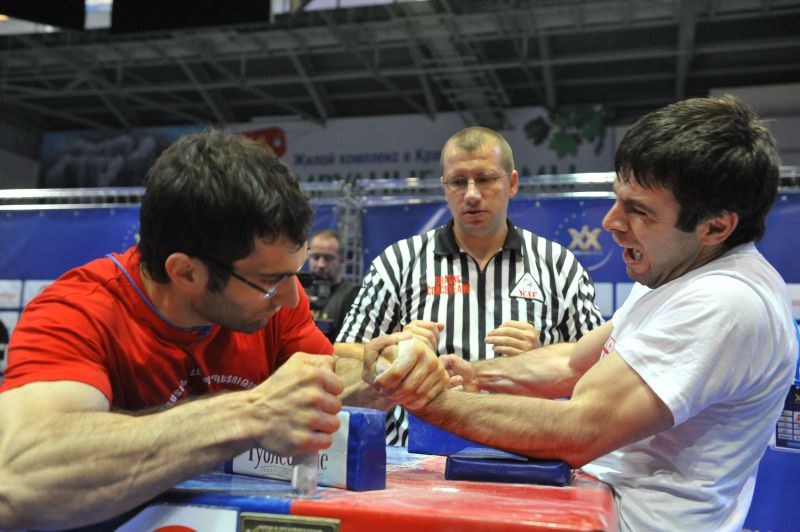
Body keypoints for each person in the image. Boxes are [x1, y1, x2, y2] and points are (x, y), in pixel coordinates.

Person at [366, 95, 798, 531]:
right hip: (595, 507)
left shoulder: (725, 301)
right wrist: (473, 375)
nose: (611, 221)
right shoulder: (679, 275)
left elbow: (578, 430)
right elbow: (571, 361)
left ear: (715, 227)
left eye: (638, 210)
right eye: (618, 199)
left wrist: (429, 399)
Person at [0, 130, 445, 531]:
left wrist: (383, 373)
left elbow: (318, 378)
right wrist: (249, 414)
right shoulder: (77, 312)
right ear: (185, 272)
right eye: (271, 282)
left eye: (297, 269)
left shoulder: (271, 305)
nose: (292, 298)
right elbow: (18, 481)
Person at [337, 126, 604, 445]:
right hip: (415, 458)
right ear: (445, 187)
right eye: (459, 182)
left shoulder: (559, 265)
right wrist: (394, 353)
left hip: (526, 452)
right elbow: (341, 360)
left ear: (512, 183)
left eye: (486, 178)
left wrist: (540, 359)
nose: (473, 194)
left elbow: (603, 370)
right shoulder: (398, 261)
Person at [305, 229, 360, 342]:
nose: (321, 264)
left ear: (342, 260)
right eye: (316, 257)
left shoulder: (352, 295)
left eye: (328, 258)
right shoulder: (298, 291)